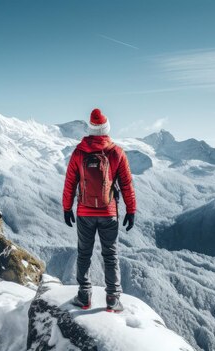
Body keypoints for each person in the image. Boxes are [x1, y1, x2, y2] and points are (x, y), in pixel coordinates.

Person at [62, 108, 136, 313]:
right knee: (110, 255)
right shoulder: (116, 152)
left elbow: (70, 183)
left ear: (91, 129)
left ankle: (84, 296)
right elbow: (127, 184)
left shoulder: (78, 152)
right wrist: (131, 210)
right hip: (108, 212)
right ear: (106, 128)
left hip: (85, 213)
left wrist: (67, 207)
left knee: (84, 253)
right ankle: (112, 298)